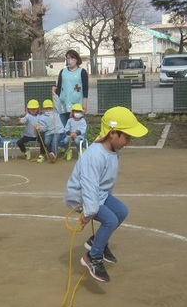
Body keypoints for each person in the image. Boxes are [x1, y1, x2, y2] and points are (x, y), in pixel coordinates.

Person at [63, 106, 148, 282]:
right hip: (82, 197)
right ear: (112, 133)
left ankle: (97, 242)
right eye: (127, 137)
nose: (129, 141)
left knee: (121, 211)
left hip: (99, 194)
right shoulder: (95, 156)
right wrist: (89, 212)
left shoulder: (113, 151)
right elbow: (89, 185)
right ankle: (92, 257)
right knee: (110, 220)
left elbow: (104, 182)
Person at [53, 49, 89, 126]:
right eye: (68, 58)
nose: (70, 60)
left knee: (77, 127)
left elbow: (85, 89)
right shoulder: (63, 72)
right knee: (63, 127)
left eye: (72, 58)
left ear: (77, 59)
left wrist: (85, 104)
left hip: (77, 103)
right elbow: (58, 88)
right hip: (64, 104)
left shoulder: (82, 72)